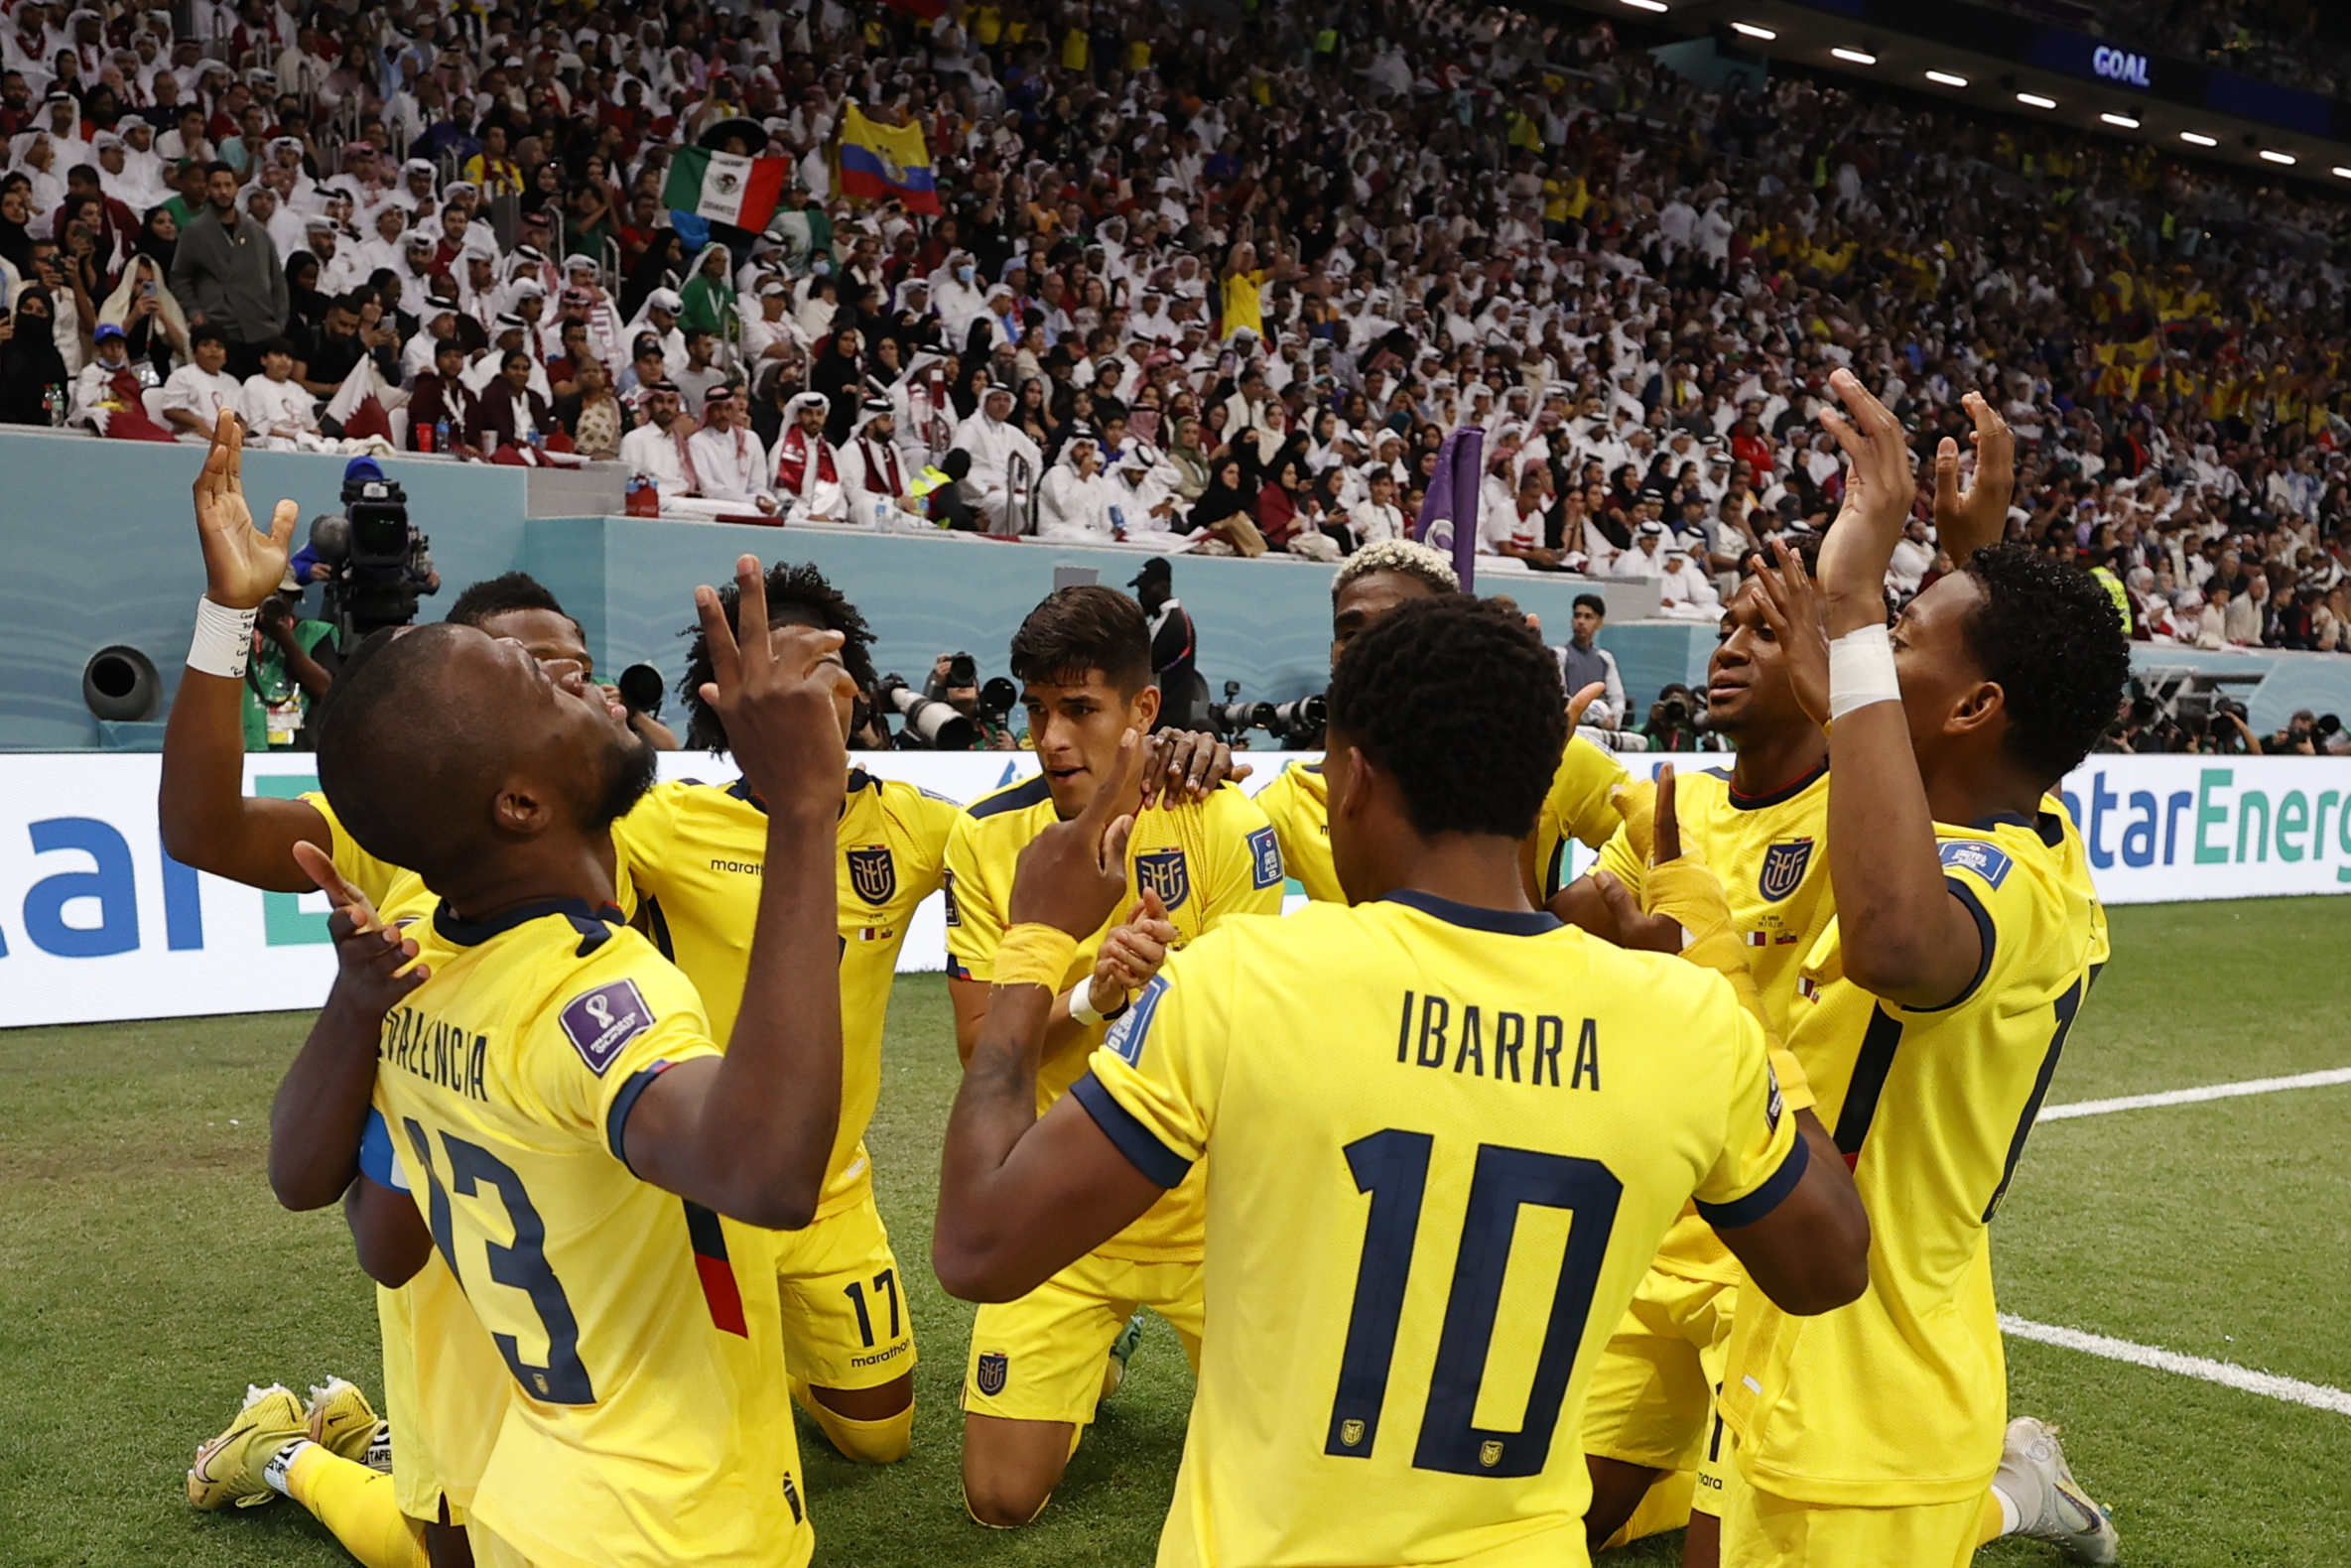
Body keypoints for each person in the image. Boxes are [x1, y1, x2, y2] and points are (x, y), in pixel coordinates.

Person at [931, 593, 1871, 1568]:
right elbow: (1828, 1266)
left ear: (1354, 778)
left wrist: (1037, 942)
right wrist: (1719, 969)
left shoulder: (1244, 981)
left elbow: (977, 1243)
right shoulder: (1689, 1022)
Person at [269, 551, 847, 1568]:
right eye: (537, 685)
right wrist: (803, 809)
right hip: (667, 1520)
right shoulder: (594, 990)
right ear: (521, 804)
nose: (581, 685)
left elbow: (362, 1224)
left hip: (533, 1498)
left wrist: (360, 1016)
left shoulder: (418, 967)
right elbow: (768, 1172)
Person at [164, 414, 648, 1568]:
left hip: (626, 1241)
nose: (568, 689)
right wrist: (231, 616)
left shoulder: (666, 819)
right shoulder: (416, 851)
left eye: (573, 669)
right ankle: (292, 1448)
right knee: (454, 1546)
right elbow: (201, 825)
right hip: (464, 1258)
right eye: (527, 675)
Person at [1725, 367, 2126, 1568]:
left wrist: (1856, 607)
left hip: (1877, 1389)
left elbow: (1897, 944)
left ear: (1972, 707)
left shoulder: (2013, 879)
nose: (1865, 651)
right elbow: (1910, 717)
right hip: (1791, 1342)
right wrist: (1968, 560)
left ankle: (2004, 1493)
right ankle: (2014, 1493)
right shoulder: (1939, 805)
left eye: (1905, 639)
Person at [942, 585, 1284, 1527]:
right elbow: (983, 1049)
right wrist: (1095, 995)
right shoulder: (985, 837)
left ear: (1142, 710)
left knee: (1283, 1485)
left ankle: (1121, 1336)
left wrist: (1159, 991)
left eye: (1081, 710)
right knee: (999, 1501)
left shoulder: (1222, 823)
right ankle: (1099, 1337)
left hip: (1206, 1205)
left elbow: (1240, 1043)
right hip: (1053, 1197)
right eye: (1036, 709)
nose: (1052, 738)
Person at [605, 562, 955, 1467]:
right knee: (706, 1446)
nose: (818, 701)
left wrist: (1157, 766)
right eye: (790, 678)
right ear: (733, 706)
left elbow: (1047, 840)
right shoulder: (663, 826)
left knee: (879, 1439)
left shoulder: (910, 827)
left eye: (832, 678)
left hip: (832, 1196)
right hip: (700, 1195)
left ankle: (794, 1350)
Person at [169, 161, 287, 377]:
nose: (223, 192)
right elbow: (179, 277)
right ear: (208, 189)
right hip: (221, 327)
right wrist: (194, 312)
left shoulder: (257, 232)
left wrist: (278, 321)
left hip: (260, 326)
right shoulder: (194, 231)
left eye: (227, 185)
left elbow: (278, 280)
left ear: (236, 188)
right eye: (216, 186)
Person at [1130, 557, 1201, 731]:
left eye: (1145, 590)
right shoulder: (1170, 619)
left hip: (1164, 723)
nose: (1141, 596)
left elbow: (1141, 667)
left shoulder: (1172, 621)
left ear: (1163, 587)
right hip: (1165, 720)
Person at [687, 386, 778, 514]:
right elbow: (709, 488)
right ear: (708, 411)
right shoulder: (697, 441)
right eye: (717, 409)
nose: (723, 414)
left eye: (728, 408)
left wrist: (765, 500)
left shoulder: (751, 439)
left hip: (751, 503)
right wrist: (752, 500)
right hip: (717, 504)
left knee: (782, 511)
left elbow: (758, 485)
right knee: (746, 511)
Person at [1556, 592, 1628, 731]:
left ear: (1599, 623)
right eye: (1577, 616)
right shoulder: (1560, 655)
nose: (1581, 621)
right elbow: (1561, 697)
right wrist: (1596, 718)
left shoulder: (1605, 659)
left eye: (1588, 617)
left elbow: (1617, 698)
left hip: (1601, 733)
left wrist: (1613, 721)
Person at [160, 322, 242, 438]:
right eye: (205, 345)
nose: (213, 350)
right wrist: (200, 425)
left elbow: (238, 416)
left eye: (219, 346)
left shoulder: (232, 382)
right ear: (194, 352)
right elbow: (171, 411)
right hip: (193, 437)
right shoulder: (182, 375)